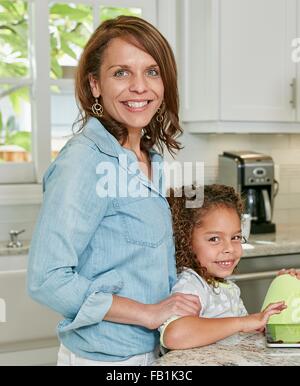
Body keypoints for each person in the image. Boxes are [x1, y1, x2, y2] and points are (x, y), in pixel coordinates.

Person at [27, 16, 200, 366]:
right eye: (121, 73)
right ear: (95, 85)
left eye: (152, 72)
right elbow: (46, 279)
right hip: (107, 359)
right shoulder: (83, 161)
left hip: (153, 353)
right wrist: (148, 313)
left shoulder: (149, 159)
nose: (140, 87)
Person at [159, 184, 287, 350]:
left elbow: (245, 330)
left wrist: (284, 286)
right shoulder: (191, 284)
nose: (230, 248)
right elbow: (174, 335)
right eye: (214, 239)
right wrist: (243, 322)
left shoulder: (227, 287)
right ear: (186, 242)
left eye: (235, 237)